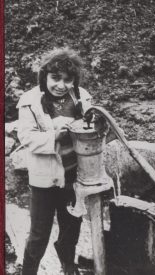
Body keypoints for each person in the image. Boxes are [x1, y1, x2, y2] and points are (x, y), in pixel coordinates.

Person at [17, 48, 93, 275]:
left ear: (74, 80)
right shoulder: (30, 101)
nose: (61, 85)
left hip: (73, 176)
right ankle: (28, 271)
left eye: (68, 80)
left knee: (71, 227)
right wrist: (54, 136)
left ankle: (69, 266)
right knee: (39, 233)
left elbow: (92, 126)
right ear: (44, 77)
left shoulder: (82, 97)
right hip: (45, 179)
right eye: (55, 78)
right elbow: (26, 137)